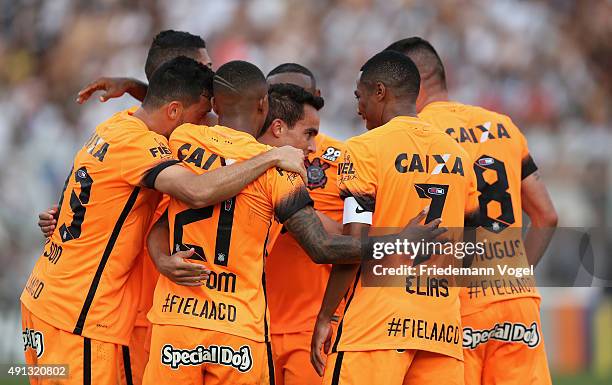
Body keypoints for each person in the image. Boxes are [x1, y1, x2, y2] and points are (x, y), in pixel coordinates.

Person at [143, 60, 445, 385]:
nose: (312, 145)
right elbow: (324, 244)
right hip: (238, 328)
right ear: (266, 107)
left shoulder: (183, 140)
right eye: (308, 134)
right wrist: (399, 241)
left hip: (177, 320)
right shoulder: (281, 171)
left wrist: (162, 259)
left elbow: (165, 217)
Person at [21, 57, 307, 385]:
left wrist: (132, 86)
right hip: (79, 314)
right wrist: (270, 156)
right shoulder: (144, 146)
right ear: (174, 111)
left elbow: (165, 105)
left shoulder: (116, 124)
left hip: (44, 297)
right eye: (201, 116)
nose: (204, 128)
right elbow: (198, 191)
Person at [385, 37, 558, 385]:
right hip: (514, 296)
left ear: (409, 82)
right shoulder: (503, 125)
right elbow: (546, 216)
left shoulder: (417, 134)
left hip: (454, 303)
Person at [311, 51, 480, 385]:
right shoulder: (459, 155)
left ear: (380, 92)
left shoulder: (363, 149)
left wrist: (325, 315)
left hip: (376, 326)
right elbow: (469, 247)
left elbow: (352, 246)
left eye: (360, 96)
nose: (358, 107)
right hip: (440, 328)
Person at [264, 63, 347, 385]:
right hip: (250, 324)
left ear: (316, 98)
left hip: (312, 327)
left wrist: (298, 216)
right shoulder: (244, 155)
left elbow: (353, 237)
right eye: (275, 97)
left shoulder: (345, 159)